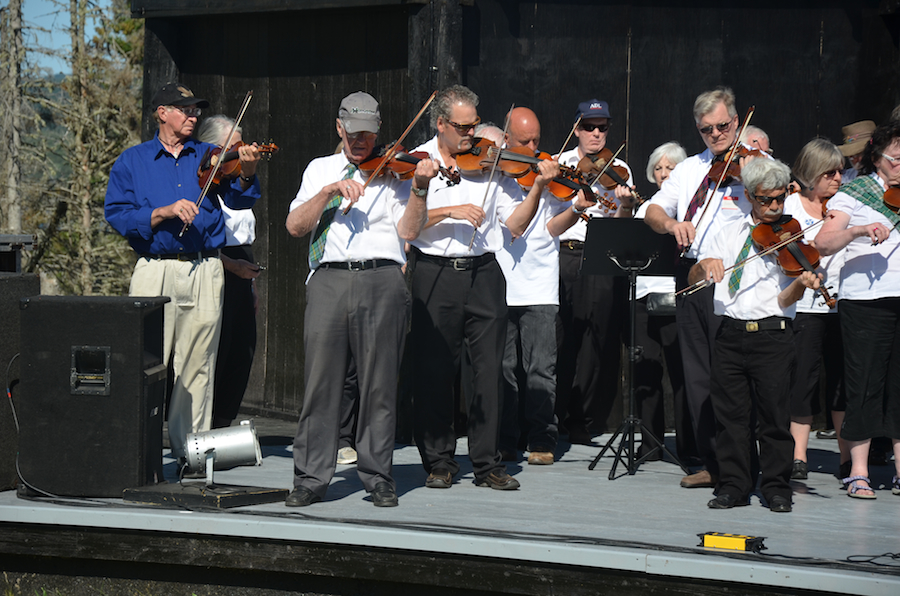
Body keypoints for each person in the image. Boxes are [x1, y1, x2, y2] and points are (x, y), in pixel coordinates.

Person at [284, 91, 438, 507]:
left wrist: (420, 188)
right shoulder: (320, 169)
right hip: (329, 279)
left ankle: (378, 476)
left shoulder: (395, 173)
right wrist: (329, 192)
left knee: (380, 385)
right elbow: (295, 226)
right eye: (353, 133)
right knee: (321, 384)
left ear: (378, 131)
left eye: (368, 134)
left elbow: (410, 232)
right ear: (339, 127)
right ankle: (310, 478)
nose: (360, 141)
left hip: (382, 278)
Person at [105, 83, 262, 467]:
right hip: (154, 268)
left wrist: (248, 169)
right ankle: (136, 454)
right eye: (185, 109)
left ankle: (190, 454)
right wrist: (163, 212)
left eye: (196, 110)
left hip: (204, 267)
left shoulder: (209, 156)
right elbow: (117, 214)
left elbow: (240, 197)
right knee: (145, 361)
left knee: (198, 365)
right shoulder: (133, 160)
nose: (193, 116)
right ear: (162, 112)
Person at [408, 85, 542, 491]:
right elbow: (407, 226)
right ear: (441, 124)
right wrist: (450, 211)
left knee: (489, 371)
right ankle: (439, 461)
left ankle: (487, 463)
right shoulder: (418, 161)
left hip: (484, 271)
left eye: (474, 125)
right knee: (435, 370)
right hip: (434, 271)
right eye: (463, 127)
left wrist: (538, 187)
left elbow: (514, 224)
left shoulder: (490, 163)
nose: (471, 134)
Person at [689, 157, 821, 513]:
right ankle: (734, 485)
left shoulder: (790, 236)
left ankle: (776, 487)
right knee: (731, 419)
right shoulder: (728, 232)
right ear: (749, 196)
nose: (775, 207)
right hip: (730, 334)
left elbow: (784, 300)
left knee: (774, 418)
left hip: (772, 335)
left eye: (780, 198)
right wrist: (704, 266)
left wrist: (801, 284)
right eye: (766, 199)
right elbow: (693, 277)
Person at [644, 87, 754, 489]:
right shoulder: (689, 169)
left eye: (722, 126)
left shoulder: (754, 165)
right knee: (698, 375)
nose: (716, 135)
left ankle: (743, 464)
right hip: (693, 277)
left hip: (740, 280)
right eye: (707, 129)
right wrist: (672, 224)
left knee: (738, 376)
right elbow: (652, 210)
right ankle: (712, 462)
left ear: (736, 122)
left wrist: (755, 172)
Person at [496, 107, 594, 465]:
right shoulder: (497, 178)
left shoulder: (546, 173)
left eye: (536, 140)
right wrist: (537, 185)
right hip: (502, 282)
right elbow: (516, 225)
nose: (534, 149)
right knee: (504, 369)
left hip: (540, 284)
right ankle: (506, 440)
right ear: (507, 139)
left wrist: (577, 209)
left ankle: (542, 439)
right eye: (525, 141)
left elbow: (551, 228)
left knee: (541, 368)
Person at [815, 120, 900, 500]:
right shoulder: (854, 194)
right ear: (877, 158)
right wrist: (857, 232)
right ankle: (859, 471)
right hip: (866, 301)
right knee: (863, 384)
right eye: (896, 158)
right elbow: (823, 242)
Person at [555, 99, 636, 446]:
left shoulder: (620, 170)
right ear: (577, 129)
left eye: (602, 127)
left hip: (600, 256)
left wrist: (625, 205)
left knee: (595, 339)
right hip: (564, 254)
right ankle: (553, 414)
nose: (597, 134)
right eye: (589, 127)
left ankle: (581, 419)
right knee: (560, 336)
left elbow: (621, 225)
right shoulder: (559, 163)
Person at [782, 138, 847, 480]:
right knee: (803, 381)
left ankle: (847, 456)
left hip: (843, 304)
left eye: (840, 171)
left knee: (842, 383)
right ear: (811, 173)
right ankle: (798, 456)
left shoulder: (844, 205)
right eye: (830, 172)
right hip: (805, 307)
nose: (838, 178)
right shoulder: (789, 206)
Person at [196, 115, 262, 430]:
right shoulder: (204, 184)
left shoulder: (236, 184)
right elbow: (200, 240)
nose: (240, 152)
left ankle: (223, 425)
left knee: (242, 348)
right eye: (232, 147)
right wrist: (231, 266)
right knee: (218, 350)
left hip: (242, 266)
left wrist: (251, 286)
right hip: (217, 264)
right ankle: (203, 427)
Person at [631, 142, 691, 462]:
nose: (663, 173)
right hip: (643, 296)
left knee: (682, 373)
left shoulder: (689, 209)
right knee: (646, 371)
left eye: (670, 168)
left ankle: (689, 445)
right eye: (658, 168)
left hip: (676, 295)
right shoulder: (645, 209)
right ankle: (650, 444)